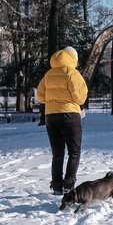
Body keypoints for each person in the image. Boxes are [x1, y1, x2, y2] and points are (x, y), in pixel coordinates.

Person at [36, 47, 88, 195]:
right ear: (73, 59)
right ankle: (68, 185)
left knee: (57, 153)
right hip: (70, 115)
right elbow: (80, 98)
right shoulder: (72, 73)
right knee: (74, 152)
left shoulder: (48, 74)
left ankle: (57, 186)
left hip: (51, 116)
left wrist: (54, 101)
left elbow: (40, 96)